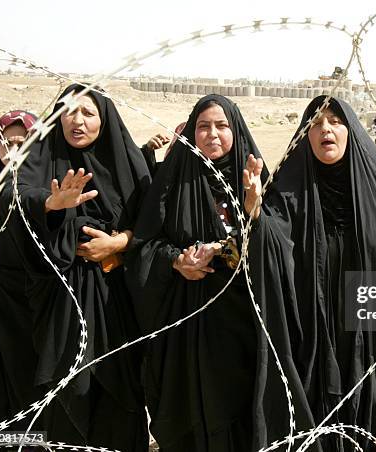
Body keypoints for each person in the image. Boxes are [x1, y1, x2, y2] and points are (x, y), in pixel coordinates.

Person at [244, 95, 376, 451]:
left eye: (336, 121)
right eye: (316, 123)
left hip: (370, 334)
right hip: (314, 329)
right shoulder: (288, 190)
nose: (325, 129)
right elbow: (274, 241)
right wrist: (257, 213)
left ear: (351, 130)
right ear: (305, 135)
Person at [125, 94, 268, 451]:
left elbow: (275, 251)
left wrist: (253, 211)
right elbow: (144, 244)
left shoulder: (254, 182)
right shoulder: (173, 181)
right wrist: (176, 260)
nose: (212, 134)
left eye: (221, 126)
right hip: (184, 325)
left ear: (235, 131)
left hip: (239, 327)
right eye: (203, 126)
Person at [17, 84, 150, 450]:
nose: (78, 121)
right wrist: (52, 204)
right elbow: (21, 201)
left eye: (88, 113)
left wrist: (119, 242)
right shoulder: (41, 160)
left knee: (118, 399)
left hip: (116, 301)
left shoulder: (127, 165)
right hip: (61, 303)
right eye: (70, 111)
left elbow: (154, 225)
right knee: (67, 398)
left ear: (104, 119)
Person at [0, 111, 47, 431]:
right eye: (6, 143)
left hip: (30, 306)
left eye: (23, 143)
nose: (13, 151)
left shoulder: (46, 188)